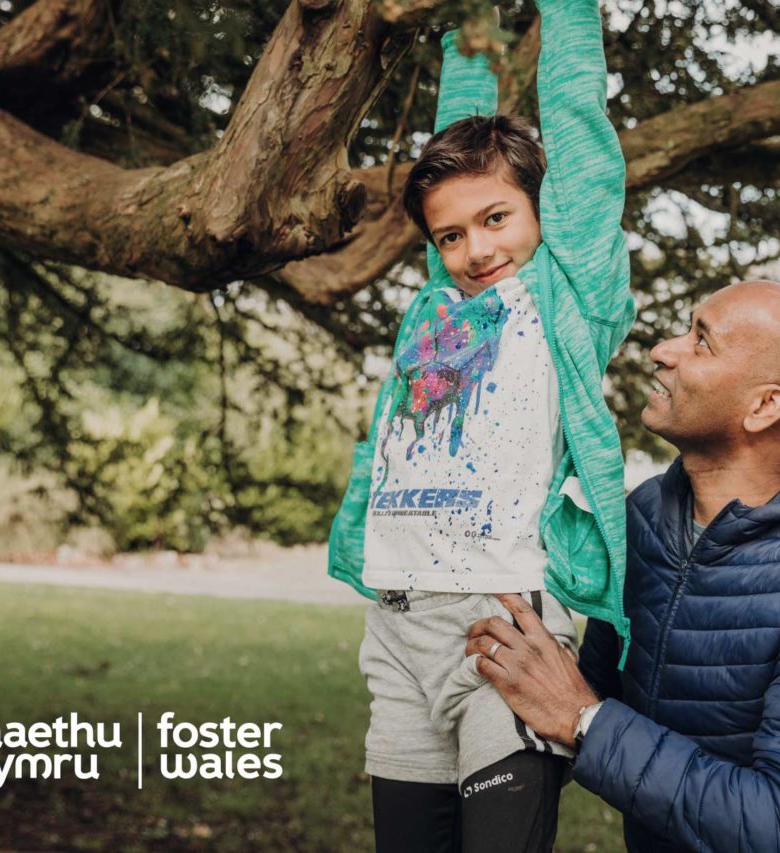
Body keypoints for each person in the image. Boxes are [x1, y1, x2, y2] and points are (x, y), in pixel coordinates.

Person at [325, 1, 634, 850]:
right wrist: (470, 25)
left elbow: (578, 127)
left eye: (496, 218)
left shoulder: (563, 295)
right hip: (397, 631)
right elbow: (453, 141)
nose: (473, 249)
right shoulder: (439, 303)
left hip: (501, 622)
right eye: (450, 234)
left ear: (542, 212)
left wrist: (566, 8)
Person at [467, 281, 780, 851]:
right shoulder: (644, 515)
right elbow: (588, 688)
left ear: (765, 406)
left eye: (701, 342)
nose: (663, 349)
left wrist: (585, 721)